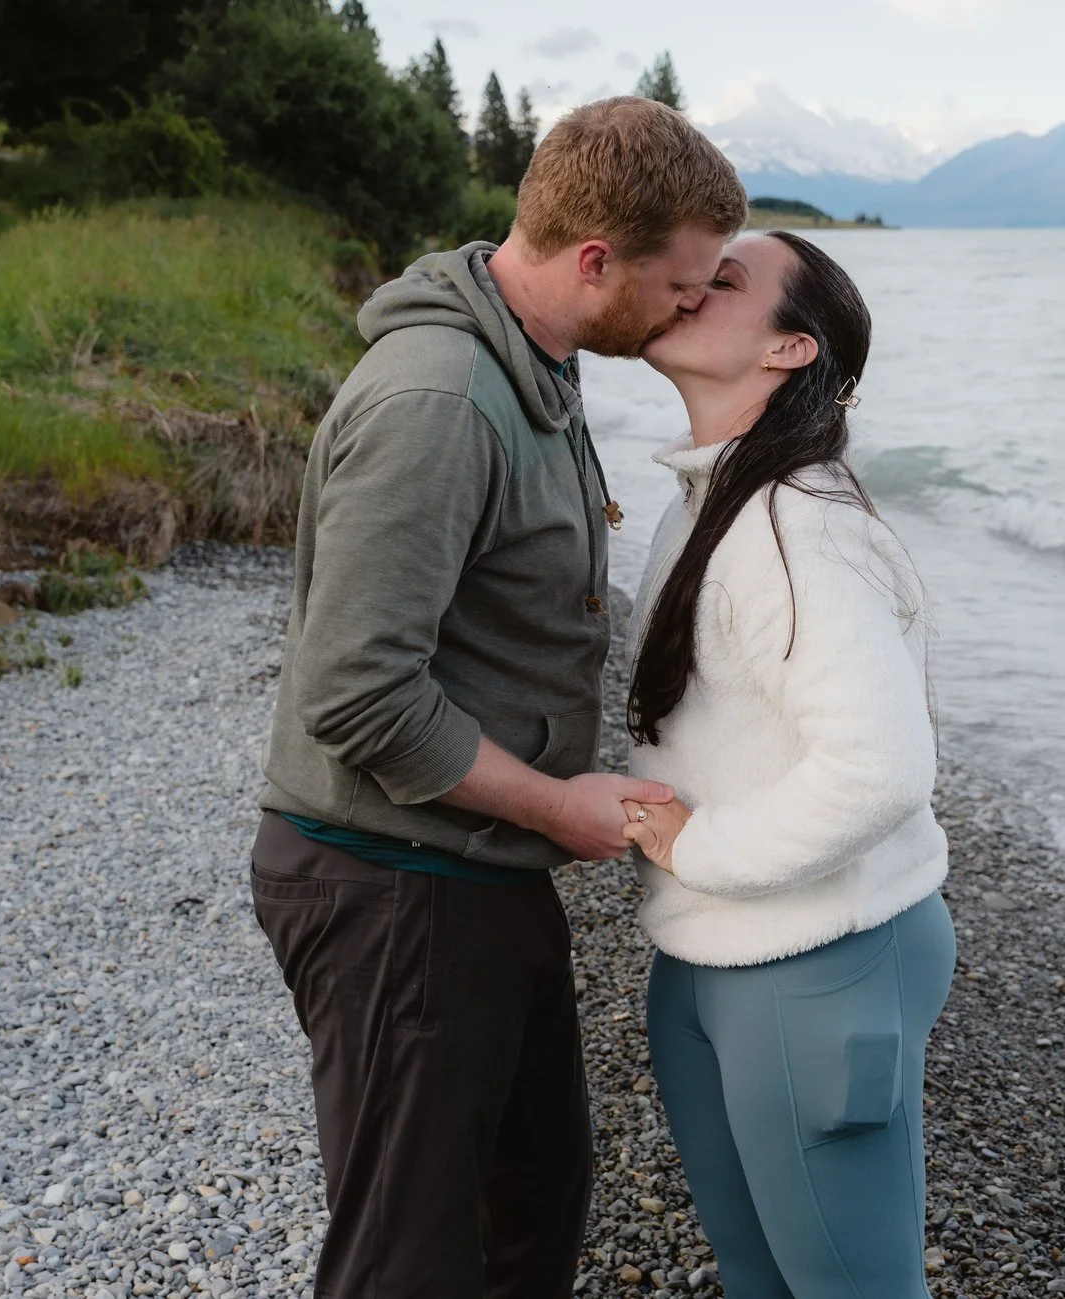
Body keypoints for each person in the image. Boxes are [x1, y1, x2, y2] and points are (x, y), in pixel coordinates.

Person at [249, 96, 748, 1298]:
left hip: (471, 870)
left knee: (527, 1212)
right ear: (594, 261)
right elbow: (354, 692)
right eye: (682, 283)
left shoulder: (535, 358)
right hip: (392, 887)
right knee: (413, 1261)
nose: (695, 305)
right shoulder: (441, 400)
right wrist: (556, 806)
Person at [621, 231, 954, 1298]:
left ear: (789, 351)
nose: (689, 281)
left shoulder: (795, 525)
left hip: (816, 957)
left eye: (725, 280)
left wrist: (699, 845)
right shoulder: (705, 501)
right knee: (759, 1278)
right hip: (710, 953)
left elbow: (881, 764)